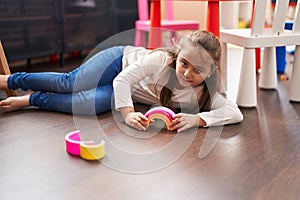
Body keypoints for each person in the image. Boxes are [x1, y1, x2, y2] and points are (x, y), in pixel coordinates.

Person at [0, 30, 243, 132]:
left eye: (198, 70)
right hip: (119, 61)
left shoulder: (206, 93)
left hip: (128, 90)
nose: (187, 73)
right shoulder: (160, 59)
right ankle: (10, 80)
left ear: (211, 72)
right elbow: (123, 80)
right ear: (178, 55)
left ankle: (32, 99)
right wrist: (127, 114)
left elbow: (235, 113)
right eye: (184, 63)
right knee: (71, 83)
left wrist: (197, 119)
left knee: (89, 105)